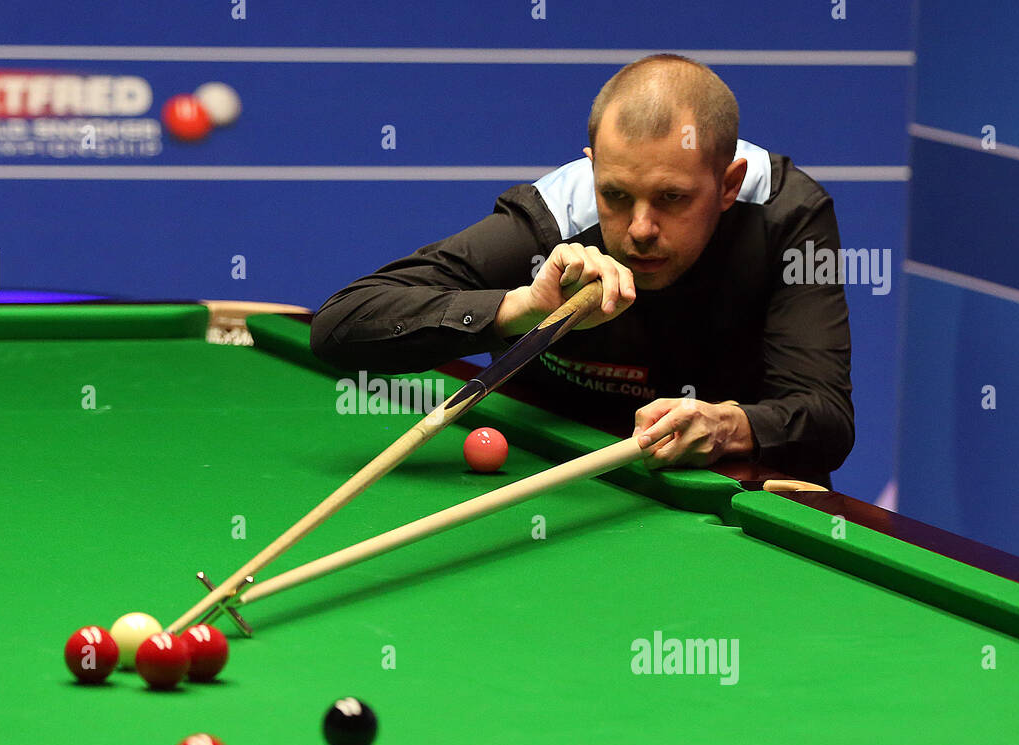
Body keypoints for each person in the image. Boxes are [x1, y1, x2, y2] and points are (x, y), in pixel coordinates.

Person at [311, 54, 854, 486]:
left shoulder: (787, 216)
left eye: (672, 197)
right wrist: (522, 309)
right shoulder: (557, 217)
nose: (640, 228)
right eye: (615, 194)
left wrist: (729, 425)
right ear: (592, 168)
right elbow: (340, 325)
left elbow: (826, 418)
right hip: (547, 485)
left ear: (729, 184)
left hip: (725, 501)